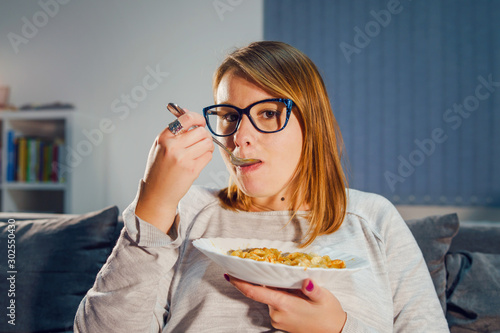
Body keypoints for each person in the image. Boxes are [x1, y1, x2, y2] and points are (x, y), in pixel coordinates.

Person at [74, 41, 449, 332]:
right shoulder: (186, 213)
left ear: (312, 122)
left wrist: (339, 328)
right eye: (230, 117)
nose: (240, 138)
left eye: (268, 113)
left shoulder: (373, 218)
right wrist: (154, 203)